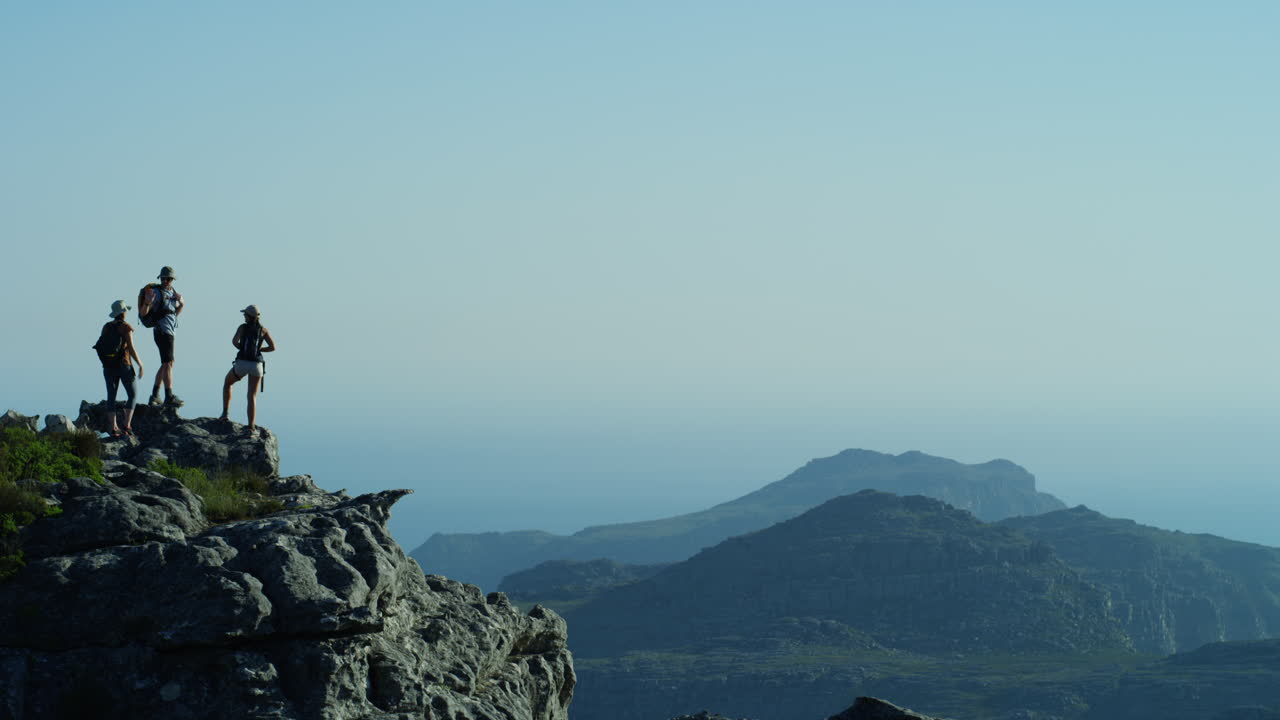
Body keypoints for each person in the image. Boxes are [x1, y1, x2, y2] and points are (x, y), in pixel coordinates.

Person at [220, 305, 276, 434]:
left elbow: (234, 341)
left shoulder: (242, 327)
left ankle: (225, 414)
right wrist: (260, 350)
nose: (244, 316)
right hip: (257, 365)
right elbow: (273, 347)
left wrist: (241, 348)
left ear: (249, 316)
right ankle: (251, 426)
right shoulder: (263, 330)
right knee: (252, 396)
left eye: (245, 314)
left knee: (227, 383)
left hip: (242, 363)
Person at [97, 299, 145, 438]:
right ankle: (126, 426)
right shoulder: (126, 327)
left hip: (108, 366)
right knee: (133, 394)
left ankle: (113, 428)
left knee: (111, 396)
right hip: (124, 365)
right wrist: (140, 364)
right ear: (124, 312)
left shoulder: (106, 327)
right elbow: (131, 347)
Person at [140, 266, 184, 407]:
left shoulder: (172, 292)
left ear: (172, 280)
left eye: (169, 279)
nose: (166, 281)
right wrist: (147, 302)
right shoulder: (157, 293)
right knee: (168, 363)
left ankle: (155, 395)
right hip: (162, 332)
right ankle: (168, 396)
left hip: (170, 332)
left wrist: (182, 303)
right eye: (164, 278)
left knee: (167, 363)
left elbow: (173, 313)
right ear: (160, 278)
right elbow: (143, 313)